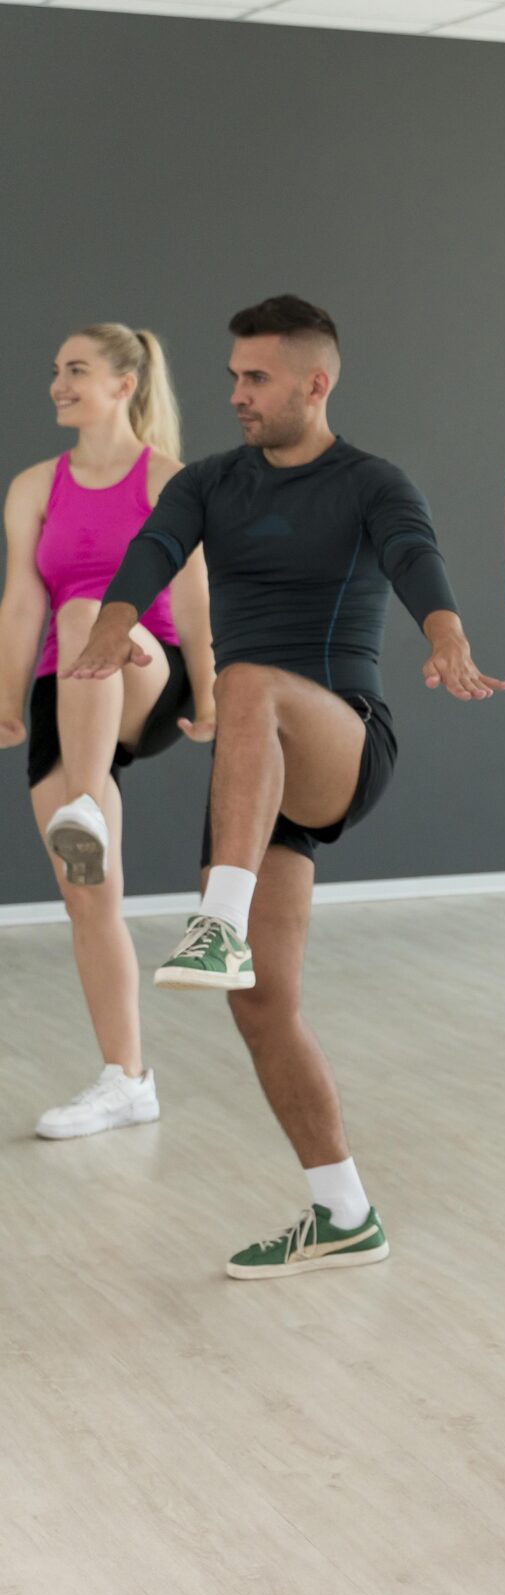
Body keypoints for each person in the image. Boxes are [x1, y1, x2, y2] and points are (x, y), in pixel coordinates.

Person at [68, 295, 505, 1279]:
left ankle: (214, 917)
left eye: (256, 377)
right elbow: (150, 547)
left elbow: (412, 556)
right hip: (255, 774)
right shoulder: (213, 482)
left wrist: (443, 631)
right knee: (262, 1006)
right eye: (231, 376)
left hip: (341, 738)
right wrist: (115, 616)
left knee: (250, 682)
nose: (236, 394)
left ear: (317, 382)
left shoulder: (369, 482)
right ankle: (343, 1211)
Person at [1, 324, 215, 1139]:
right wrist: (6, 697)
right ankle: (127, 1081)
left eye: (76, 370)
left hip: (148, 669)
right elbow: (21, 603)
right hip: (70, 691)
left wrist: (216, 686)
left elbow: (193, 600)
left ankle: (87, 799)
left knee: (90, 609)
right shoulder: (32, 488)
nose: (58, 383)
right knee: (89, 899)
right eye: (55, 370)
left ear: (124, 384)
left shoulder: (170, 481)